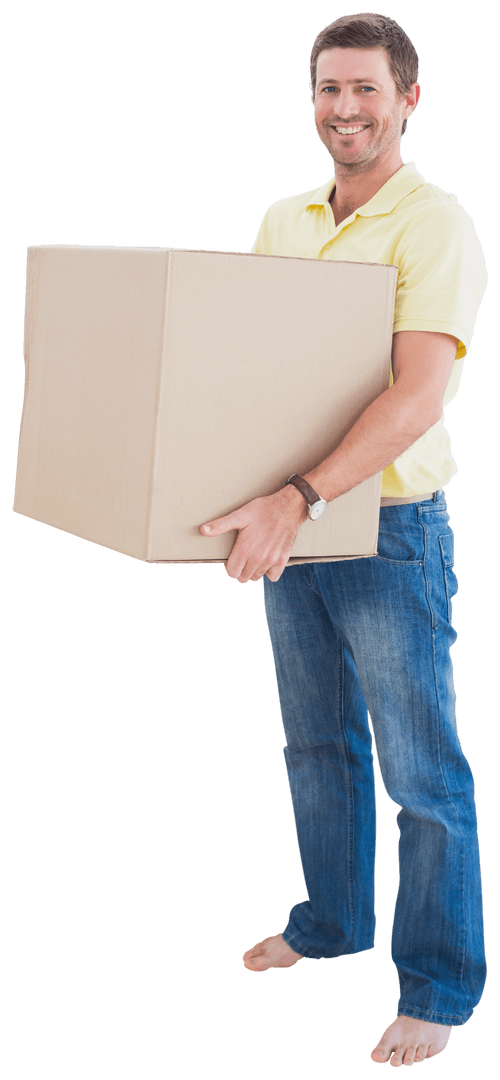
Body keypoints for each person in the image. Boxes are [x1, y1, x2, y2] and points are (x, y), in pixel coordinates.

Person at [200, 12, 488, 1068]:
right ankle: (328, 923)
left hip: (388, 528)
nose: (344, 108)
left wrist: (300, 497)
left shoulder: (434, 226)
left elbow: (416, 397)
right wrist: (234, 491)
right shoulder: (284, 218)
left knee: (420, 772)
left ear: (406, 98)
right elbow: (248, 370)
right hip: (291, 523)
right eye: (328, 88)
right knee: (315, 747)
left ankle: (439, 984)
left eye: (365, 89)